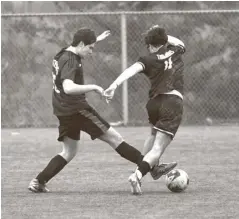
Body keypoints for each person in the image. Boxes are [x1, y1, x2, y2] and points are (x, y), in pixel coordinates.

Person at [28, 28, 173, 193]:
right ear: (81, 44)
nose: (91, 52)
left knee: (68, 151)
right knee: (116, 139)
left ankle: (39, 181)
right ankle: (152, 167)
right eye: (90, 48)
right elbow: (68, 87)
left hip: (63, 110)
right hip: (77, 110)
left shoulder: (62, 54)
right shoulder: (72, 61)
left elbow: (79, 45)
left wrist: (96, 39)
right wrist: (94, 87)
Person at [104, 25, 185, 195]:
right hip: (172, 102)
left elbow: (130, 71)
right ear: (164, 41)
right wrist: (159, 34)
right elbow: (178, 42)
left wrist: (113, 85)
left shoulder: (148, 59)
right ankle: (137, 175)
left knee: (153, 135)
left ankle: (149, 168)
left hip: (154, 103)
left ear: (150, 45)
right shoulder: (176, 50)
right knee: (157, 149)